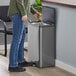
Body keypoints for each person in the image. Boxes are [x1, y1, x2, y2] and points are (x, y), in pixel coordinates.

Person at [8, 0, 32, 72]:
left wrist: (33, 12)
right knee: (17, 39)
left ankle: (20, 60)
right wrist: (24, 13)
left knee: (21, 37)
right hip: (17, 14)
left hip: (19, 13)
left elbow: (26, 3)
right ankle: (12, 65)